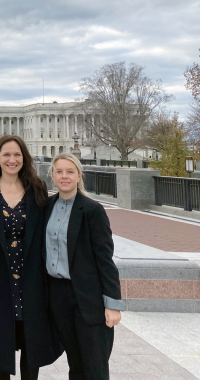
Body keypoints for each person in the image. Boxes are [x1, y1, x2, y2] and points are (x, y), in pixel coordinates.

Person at [0, 135, 63, 379]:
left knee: (31, 343)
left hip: (29, 276)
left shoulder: (37, 188)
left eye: (17, 155)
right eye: (7, 155)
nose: (12, 160)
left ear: (24, 158)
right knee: (0, 341)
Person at [46, 153, 124, 380]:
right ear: (52, 175)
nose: (64, 176)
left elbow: (104, 258)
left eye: (70, 172)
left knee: (95, 365)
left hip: (88, 297)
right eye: (59, 171)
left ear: (79, 175)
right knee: (75, 363)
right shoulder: (47, 206)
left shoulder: (92, 210)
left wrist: (112, 304)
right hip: (58, 296)